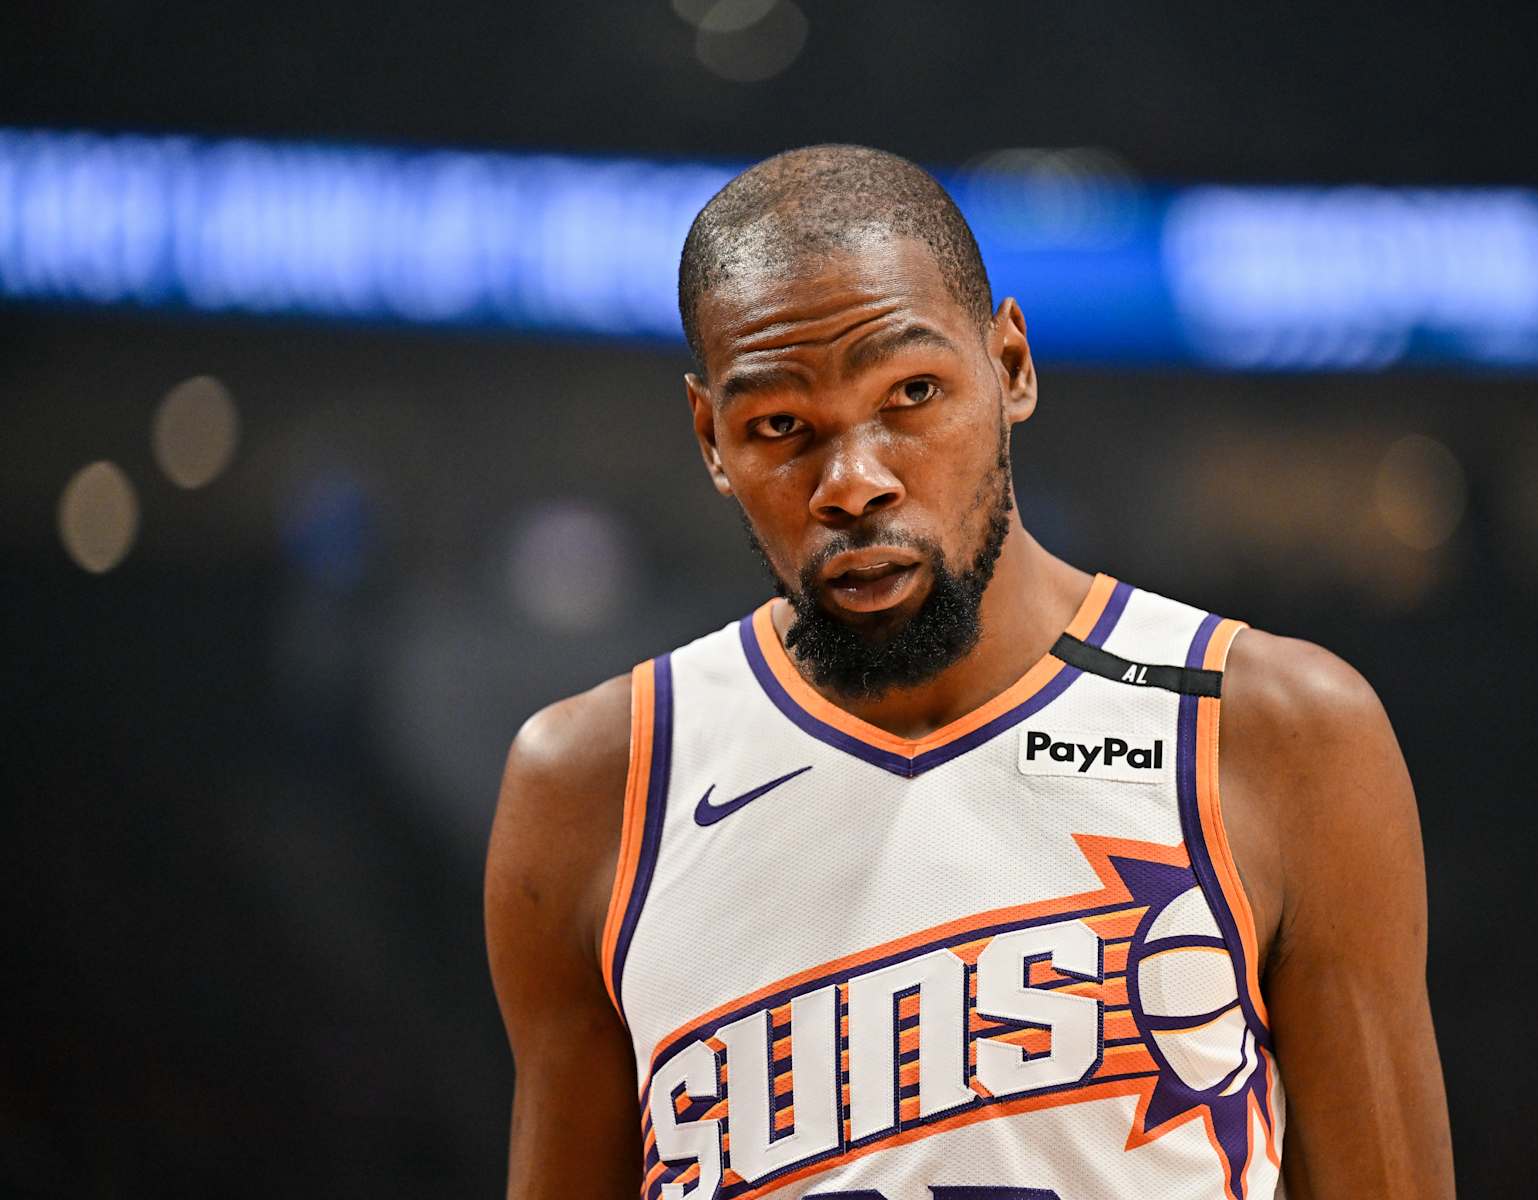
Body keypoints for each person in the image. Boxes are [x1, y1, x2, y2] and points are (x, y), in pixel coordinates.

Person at [484, 145, 1454, 1200]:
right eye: (781, 427)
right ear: (712, 439)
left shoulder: (1280, 732)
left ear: (1011, 368)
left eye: (911, 393)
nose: (854, 482)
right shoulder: (591, 789)